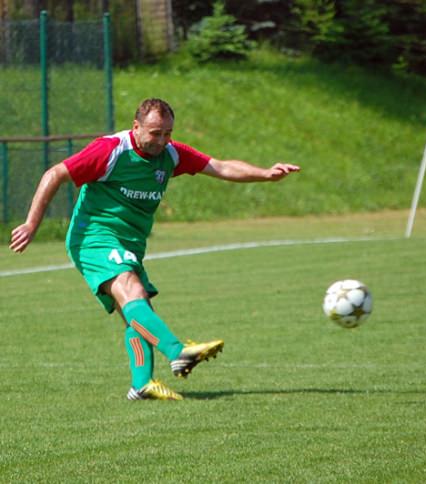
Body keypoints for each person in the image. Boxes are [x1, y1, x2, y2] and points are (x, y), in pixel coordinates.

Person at [9, 98, 300, 401]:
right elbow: (55, 174)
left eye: (167, 133)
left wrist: (266, 174)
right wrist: (32, 223)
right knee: (132, 291)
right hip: (95, 236)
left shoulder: (171, 155)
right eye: (154, 133)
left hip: (131, 242)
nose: (161, 140)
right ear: (136, 127)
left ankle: (142, 384)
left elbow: (221, 166)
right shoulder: (110, 150)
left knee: (136, 311)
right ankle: (178, 351)